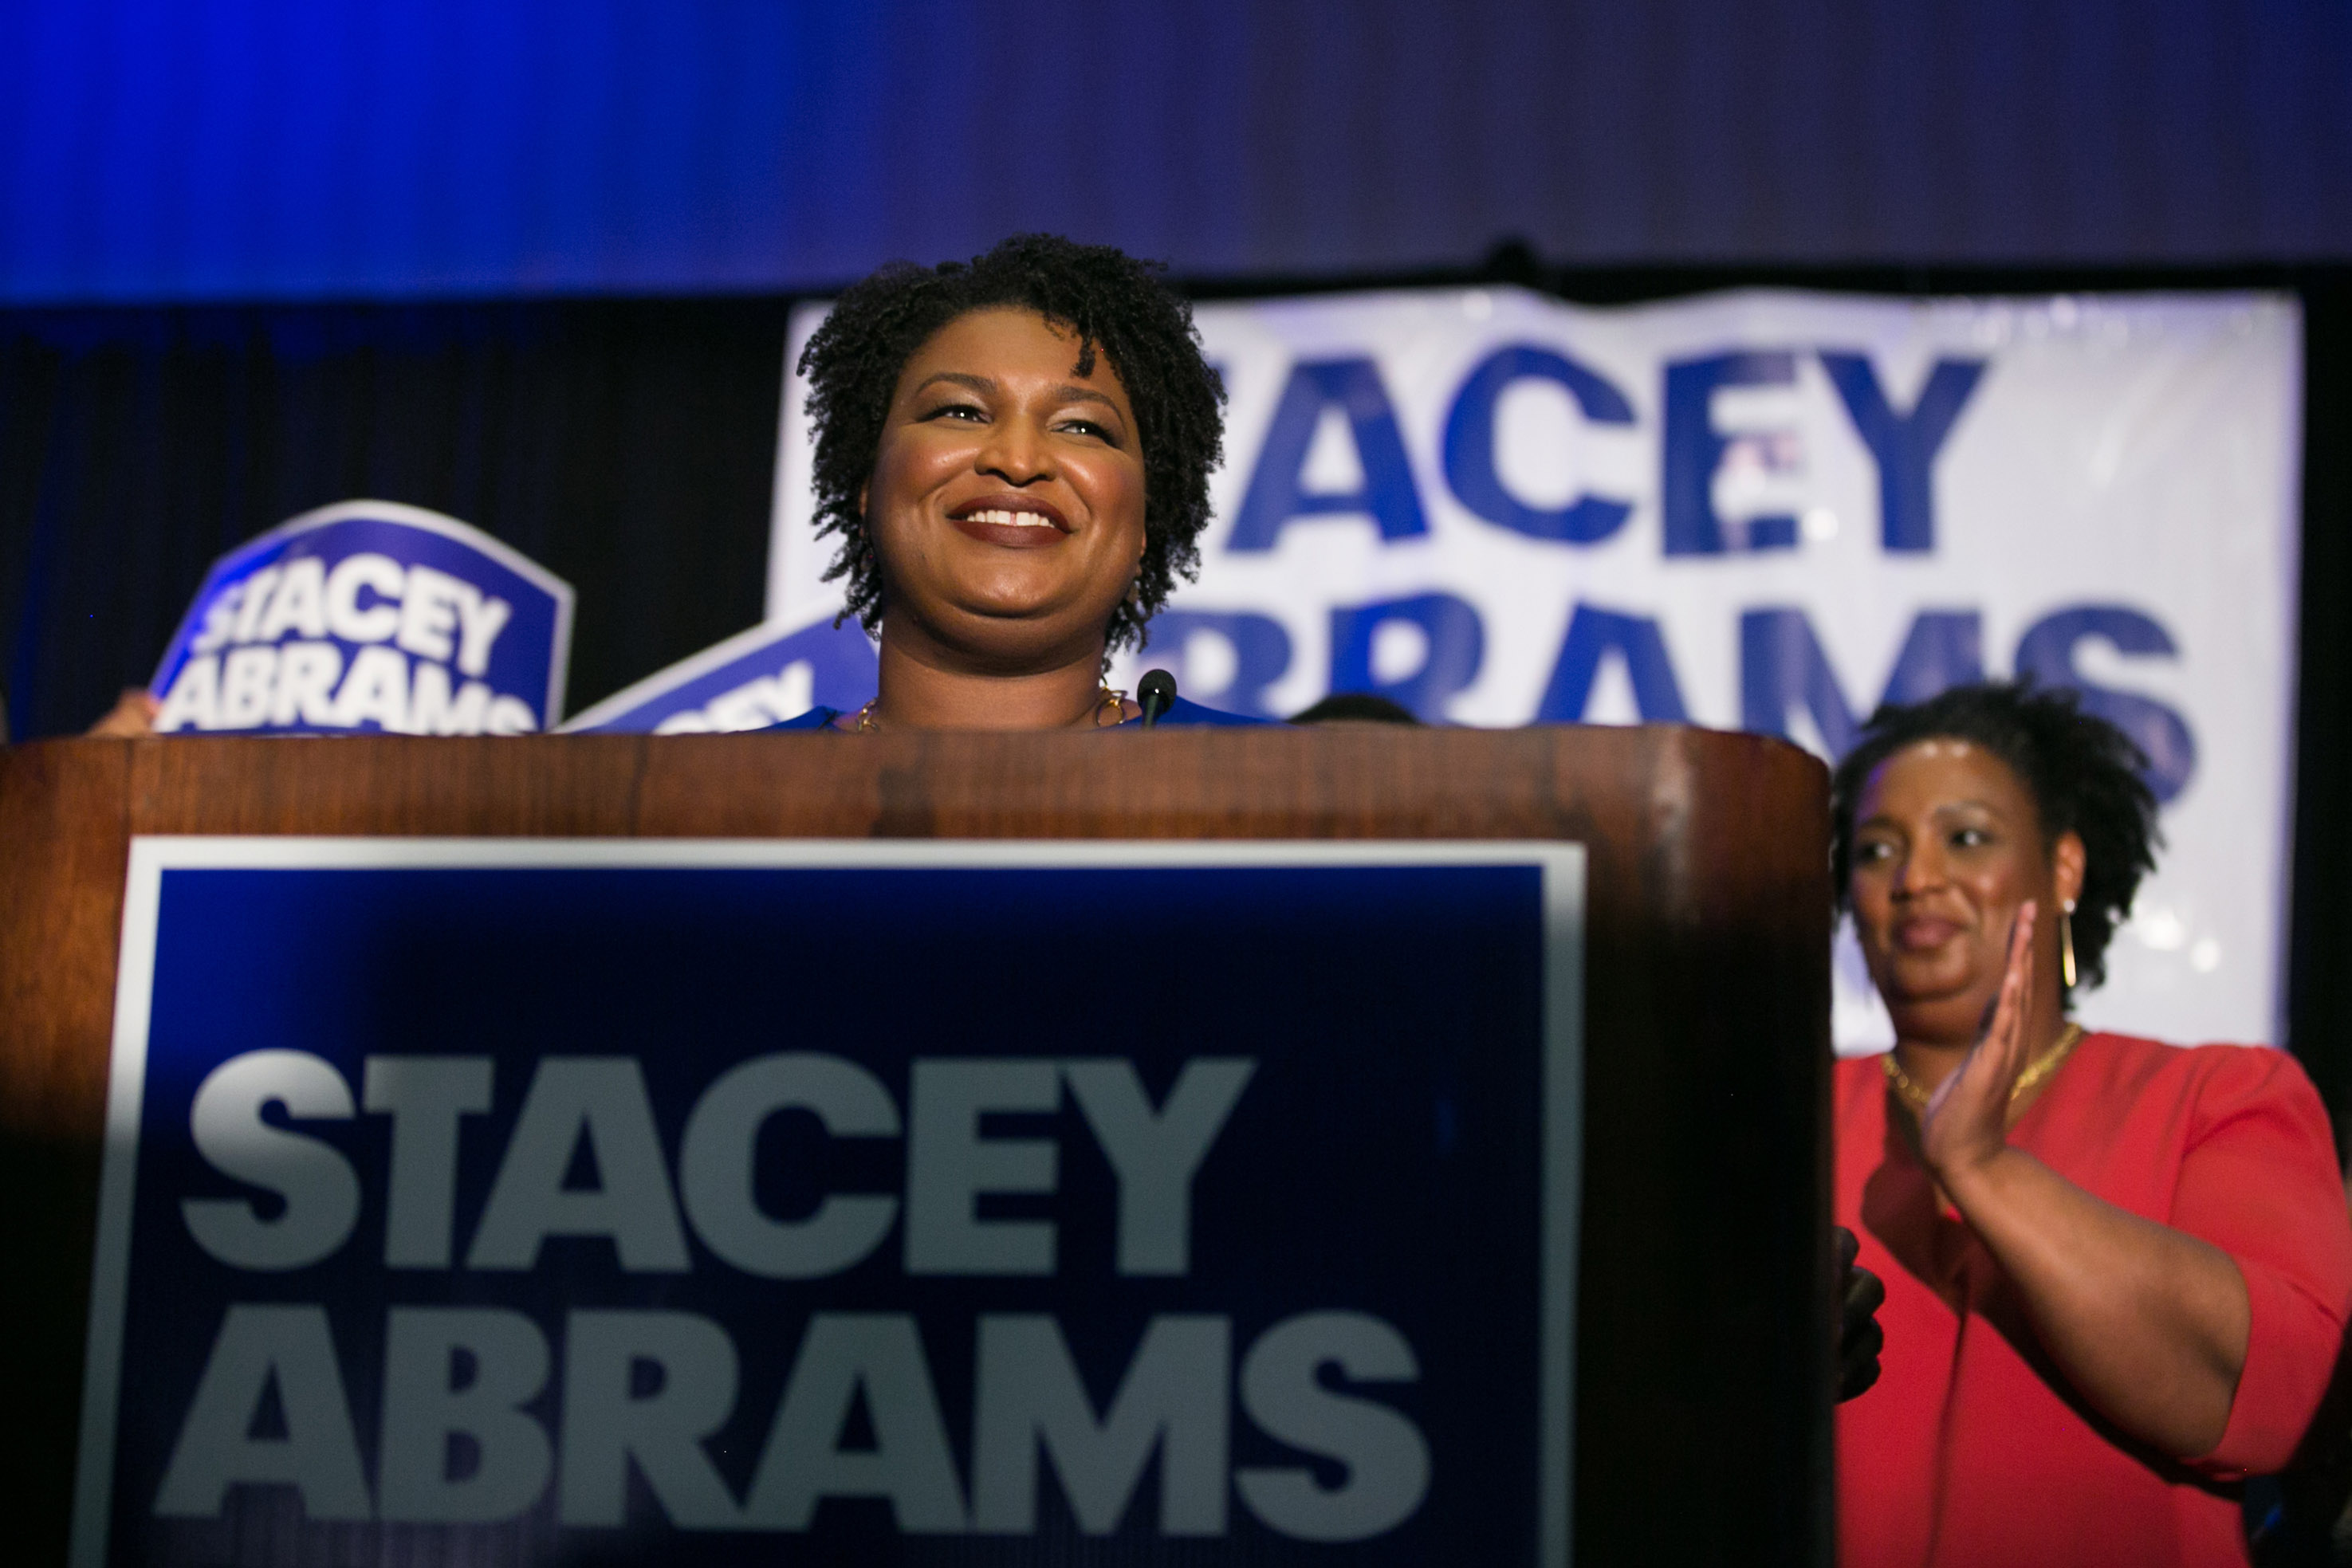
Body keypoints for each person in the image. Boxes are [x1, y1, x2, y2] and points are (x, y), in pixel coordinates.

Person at [1830, 681, 2352, 1566]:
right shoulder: (1770, 1110)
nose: (1915, 878)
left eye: (1965, 836)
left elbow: (2273, 1400)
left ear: (2062, 866)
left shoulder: (2216, 1094)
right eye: (1878, 848)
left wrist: (1983, 1169)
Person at [766, 234, 1264, 732]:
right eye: (961, 412)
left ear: (1143, 528)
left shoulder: (1283, 786)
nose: (1019, 460)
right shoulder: (708, 794)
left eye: (1081, 427)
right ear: (868, 491)